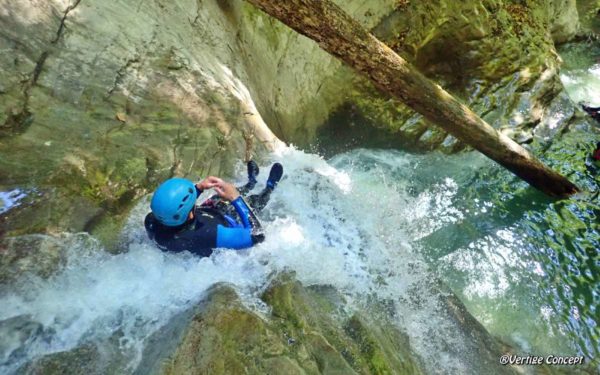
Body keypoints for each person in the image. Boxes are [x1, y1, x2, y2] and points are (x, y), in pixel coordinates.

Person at [144, 161, 283, 257]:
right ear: (190, 215)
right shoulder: (209, 234)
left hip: (208, 212)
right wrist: (235, 198)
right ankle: (269, 187)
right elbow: (257, 236)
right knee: (255, 201)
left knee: (220, 196)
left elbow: (176, 209)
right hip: (228, 220)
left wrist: (199, 188)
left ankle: (250, 183)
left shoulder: (152, 221)